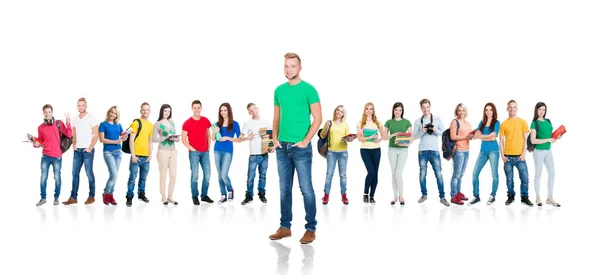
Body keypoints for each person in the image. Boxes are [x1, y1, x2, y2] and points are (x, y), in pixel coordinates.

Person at [268, 52, 322, 245]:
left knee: (306, 188)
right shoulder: (279, 91)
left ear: (300, 68)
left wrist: (306, 140)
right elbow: (276, 118)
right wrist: (274, 138)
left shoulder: (309, 89)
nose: (288, 69)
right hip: (282, 147)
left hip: (301, 148)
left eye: (292, 66)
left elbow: (318, 118)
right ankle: (285, 227)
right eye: (286, 66)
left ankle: (310, 228)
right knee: (284, 189)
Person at [413, 99, 450, 206]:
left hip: (435, 151)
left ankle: (442, 197)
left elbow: (444, 133)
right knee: (422, 174)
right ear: (421, 108)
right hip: (422, 151)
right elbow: (414, 137)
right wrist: (422, 131)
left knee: (439, 174)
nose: (426, 109)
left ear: (430, 107)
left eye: (427, 107)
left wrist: (435, 130)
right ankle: (424, 195)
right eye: (423, 107)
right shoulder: (417, 121)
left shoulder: (437, 119)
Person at [33, 104, 72, 206]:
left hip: (57, 157)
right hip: (45, 156)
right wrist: (36, 144)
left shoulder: (58, 124)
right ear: (43, 113)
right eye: (45, 112)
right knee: (43, 178)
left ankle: (56, 197)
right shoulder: (40, 127)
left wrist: (68, 123)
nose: (47, 114)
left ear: (52, 113)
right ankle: (43, 198)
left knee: (57, 177)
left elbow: (69, 134)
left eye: (49, 112)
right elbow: (41, 141)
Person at [63, 97, 99, 205]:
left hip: (87, 151)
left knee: (89, 173)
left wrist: (90, 148)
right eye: (79, 105)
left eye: (83, 105)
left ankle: (91, 196)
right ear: (77, 106)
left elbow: (96, 135)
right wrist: (74, 145)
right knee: (75, 174)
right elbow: (73, 133)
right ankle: (73, 197)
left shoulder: (92, 118)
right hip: (77, 151)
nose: (81, 107)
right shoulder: (74, 119)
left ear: (86, 105)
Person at [499, 99, 533, 206]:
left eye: (514, 107)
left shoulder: (522, 122)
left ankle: (524, 197)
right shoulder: (504, 124)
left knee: (525, 178)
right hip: (508, 157)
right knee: (509, 179)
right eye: (510, 107)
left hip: (520, 157)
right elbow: (500, 141)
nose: (512, 109)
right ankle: (510, 196)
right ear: (507, 109)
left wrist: (524, 154)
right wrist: (502, 155)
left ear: (517, 109)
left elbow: (525, 139)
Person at [181, 100, 214, 205]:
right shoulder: (187, 123)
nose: (196, 110)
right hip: (194, 153)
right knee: (195, 175)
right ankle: (195, 196)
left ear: (201, 108)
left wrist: (209, 146)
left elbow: (209, 134)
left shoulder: (205, 120)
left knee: (207, 175)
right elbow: (183, 139)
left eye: (198, 107)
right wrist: (192, 148)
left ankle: (204, 195)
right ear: (192, 108)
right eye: (194, 107)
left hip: (205, 152)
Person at [320, 105, 354, 205]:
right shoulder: (329, 122)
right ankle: (326, 196)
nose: (339, 112)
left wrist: (350, 139)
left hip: (343, 152)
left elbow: (348, 138)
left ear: (343, 114)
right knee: (329, 175)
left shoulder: (345, 125)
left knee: (343, 175)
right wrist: (327, 127)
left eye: (341, 111)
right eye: (338, 110)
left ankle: (344, 195)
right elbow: (322, 135)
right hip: (331, 152)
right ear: (335, 111)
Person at [530, 102, 561, 207]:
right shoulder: (534, 123)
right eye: (539, 109)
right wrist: (548, 139)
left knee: (552, 173)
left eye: (543, 109)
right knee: (538, 174)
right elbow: (533, 140)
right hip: (538, 151)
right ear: (536, 110)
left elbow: (549, 135)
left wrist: (556, 137)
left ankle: (550, 197)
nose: (542, 111)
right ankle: (538, 197)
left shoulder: (548, 121)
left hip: (548, 151)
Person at [239, 103, 270, 205]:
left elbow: (270, 137)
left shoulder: (265, 122)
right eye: (251, 110)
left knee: (263, 176)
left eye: (255, 109)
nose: (254, 111)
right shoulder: (248, 123)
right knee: (250, 177)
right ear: (249, 112)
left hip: (264, 154)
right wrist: (248, 137)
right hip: (253, 154)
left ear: (258, 109)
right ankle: (249, 196)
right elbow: (240, 138)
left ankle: (261, 194)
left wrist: (271, 147)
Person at [470, 103, 501, 205]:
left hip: (493, 150)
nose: (488, 112)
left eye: (490, 110)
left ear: (493, 111)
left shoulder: (496, 123)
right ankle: (476, 195)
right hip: (483, 151)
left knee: (494, 174)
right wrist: (487, 136)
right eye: (486, 110)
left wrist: (480, 136)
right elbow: (476, 135)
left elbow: (493, 137)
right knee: (475, 173)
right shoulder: (481, 123)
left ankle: (493, 195)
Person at [382, 102, 412, 205]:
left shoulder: (407, 122)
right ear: (393, 111)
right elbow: (384, 137)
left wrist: (407, 143)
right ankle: (395, 196)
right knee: (394, 173)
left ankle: (401, 195)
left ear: (402, 111)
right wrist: (393, 134)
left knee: (398, 173)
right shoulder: (389, 122)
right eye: (396, 110)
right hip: (392, 150)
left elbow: (411, 137)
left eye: (400, 110)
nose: (398, 112)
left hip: (403, 150)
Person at [125, 102, 154, 207]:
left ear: (150, 111)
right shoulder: (136, 123)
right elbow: (131, 140)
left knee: (143, 178)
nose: (145, 111)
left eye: (147, 110)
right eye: (143, 109)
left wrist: (151, 155)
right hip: (136, 155)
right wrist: (133, 155)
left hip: (146, 157)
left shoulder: (151, 125)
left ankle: (141, 194)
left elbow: (150, 141)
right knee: (132, 177)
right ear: (140, 111)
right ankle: (129, 196)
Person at [211, 103, 241, 203]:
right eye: (221, 110)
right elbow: (212, 139)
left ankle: (230, 189)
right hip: (217, 150)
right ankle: (223, 194)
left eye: (225, 110)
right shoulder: (217, 123)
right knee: (219, 175)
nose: (223, 112)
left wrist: (228, 138)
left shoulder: (234, 124)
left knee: (224, 174)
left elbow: (239, 139)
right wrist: (215, 132)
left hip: (228, 151)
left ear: (229, 111)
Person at [357, 102, 385, 204]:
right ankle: (365, 193)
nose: (369, 111)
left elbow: (383, 135)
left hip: (376, 150)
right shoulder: (361, 123)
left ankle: (372, 196)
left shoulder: (377, 122)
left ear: (373, 111)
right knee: (371, 172)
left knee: (376, 174)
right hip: (365, 150)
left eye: (371, 109)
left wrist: (379, 140)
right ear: (364, 110)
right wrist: (370, 137)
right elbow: (359, 139)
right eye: (367, 109)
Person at [152, 104, 180, 205]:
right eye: (165, 111)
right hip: (163, 151)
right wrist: (165, 137)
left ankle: (170, 196)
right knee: (163, 174)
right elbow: (154, 139)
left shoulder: (172, 122)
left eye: (168, 111)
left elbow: (173, 136)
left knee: (173, 174)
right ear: (161, 112)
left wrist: (176, 139)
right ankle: (163, 197)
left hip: (173, 151)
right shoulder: (157, 124)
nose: (167, 113)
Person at [99, 106, 126, 205]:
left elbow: (122, 137)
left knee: (114, 175)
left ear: (116, 116)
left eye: (115, 113)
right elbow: (101, 140)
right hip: (108, 152)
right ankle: (106, 193)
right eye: (111, 112)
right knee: (114, 175)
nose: (112, 114)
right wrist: (115, 141)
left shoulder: (118, 125)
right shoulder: (103, 124)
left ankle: (110, 195)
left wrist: (125, 135)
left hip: (118, 152)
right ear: (108, 112)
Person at [449, 103, 473, 205]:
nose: (461, 112)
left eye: (463, 110)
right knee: (456, 175)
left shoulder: (468, 123)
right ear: (456, 112)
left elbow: (469, 135)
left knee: (461, 174)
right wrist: (466, 137)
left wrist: (472, 136)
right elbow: (453, 137)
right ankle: (453, 195)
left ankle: (458, 193)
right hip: (458, 151)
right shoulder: (454, 122)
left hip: (467, 150)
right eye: (459, 110)